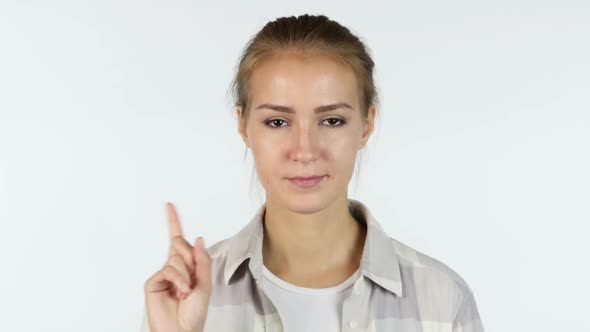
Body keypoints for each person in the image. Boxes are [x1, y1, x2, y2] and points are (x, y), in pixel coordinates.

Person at [141, 14, 484, 332]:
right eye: (277, 122)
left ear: (366, 125)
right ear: (243, 126)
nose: (304, 150)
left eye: (332, 120)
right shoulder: (186, 297)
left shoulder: (441, 299)